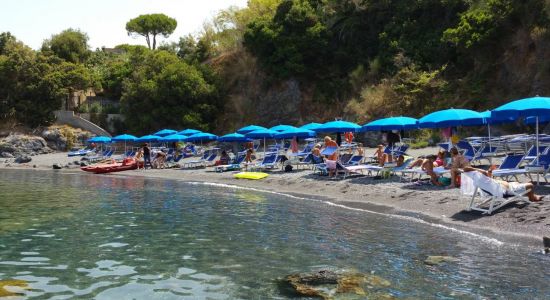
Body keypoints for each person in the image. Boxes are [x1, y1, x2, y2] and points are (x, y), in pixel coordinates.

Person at [464, 166, 544, 202]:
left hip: (506, 186)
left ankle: (531, 193)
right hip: (507, 190)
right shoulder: (485, 180)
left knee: (518, 183)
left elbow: (465, 169)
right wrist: (480, 170)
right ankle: (532, 198)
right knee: (530, 185)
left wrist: (487, 171)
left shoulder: (483, 181)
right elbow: (466, 168)